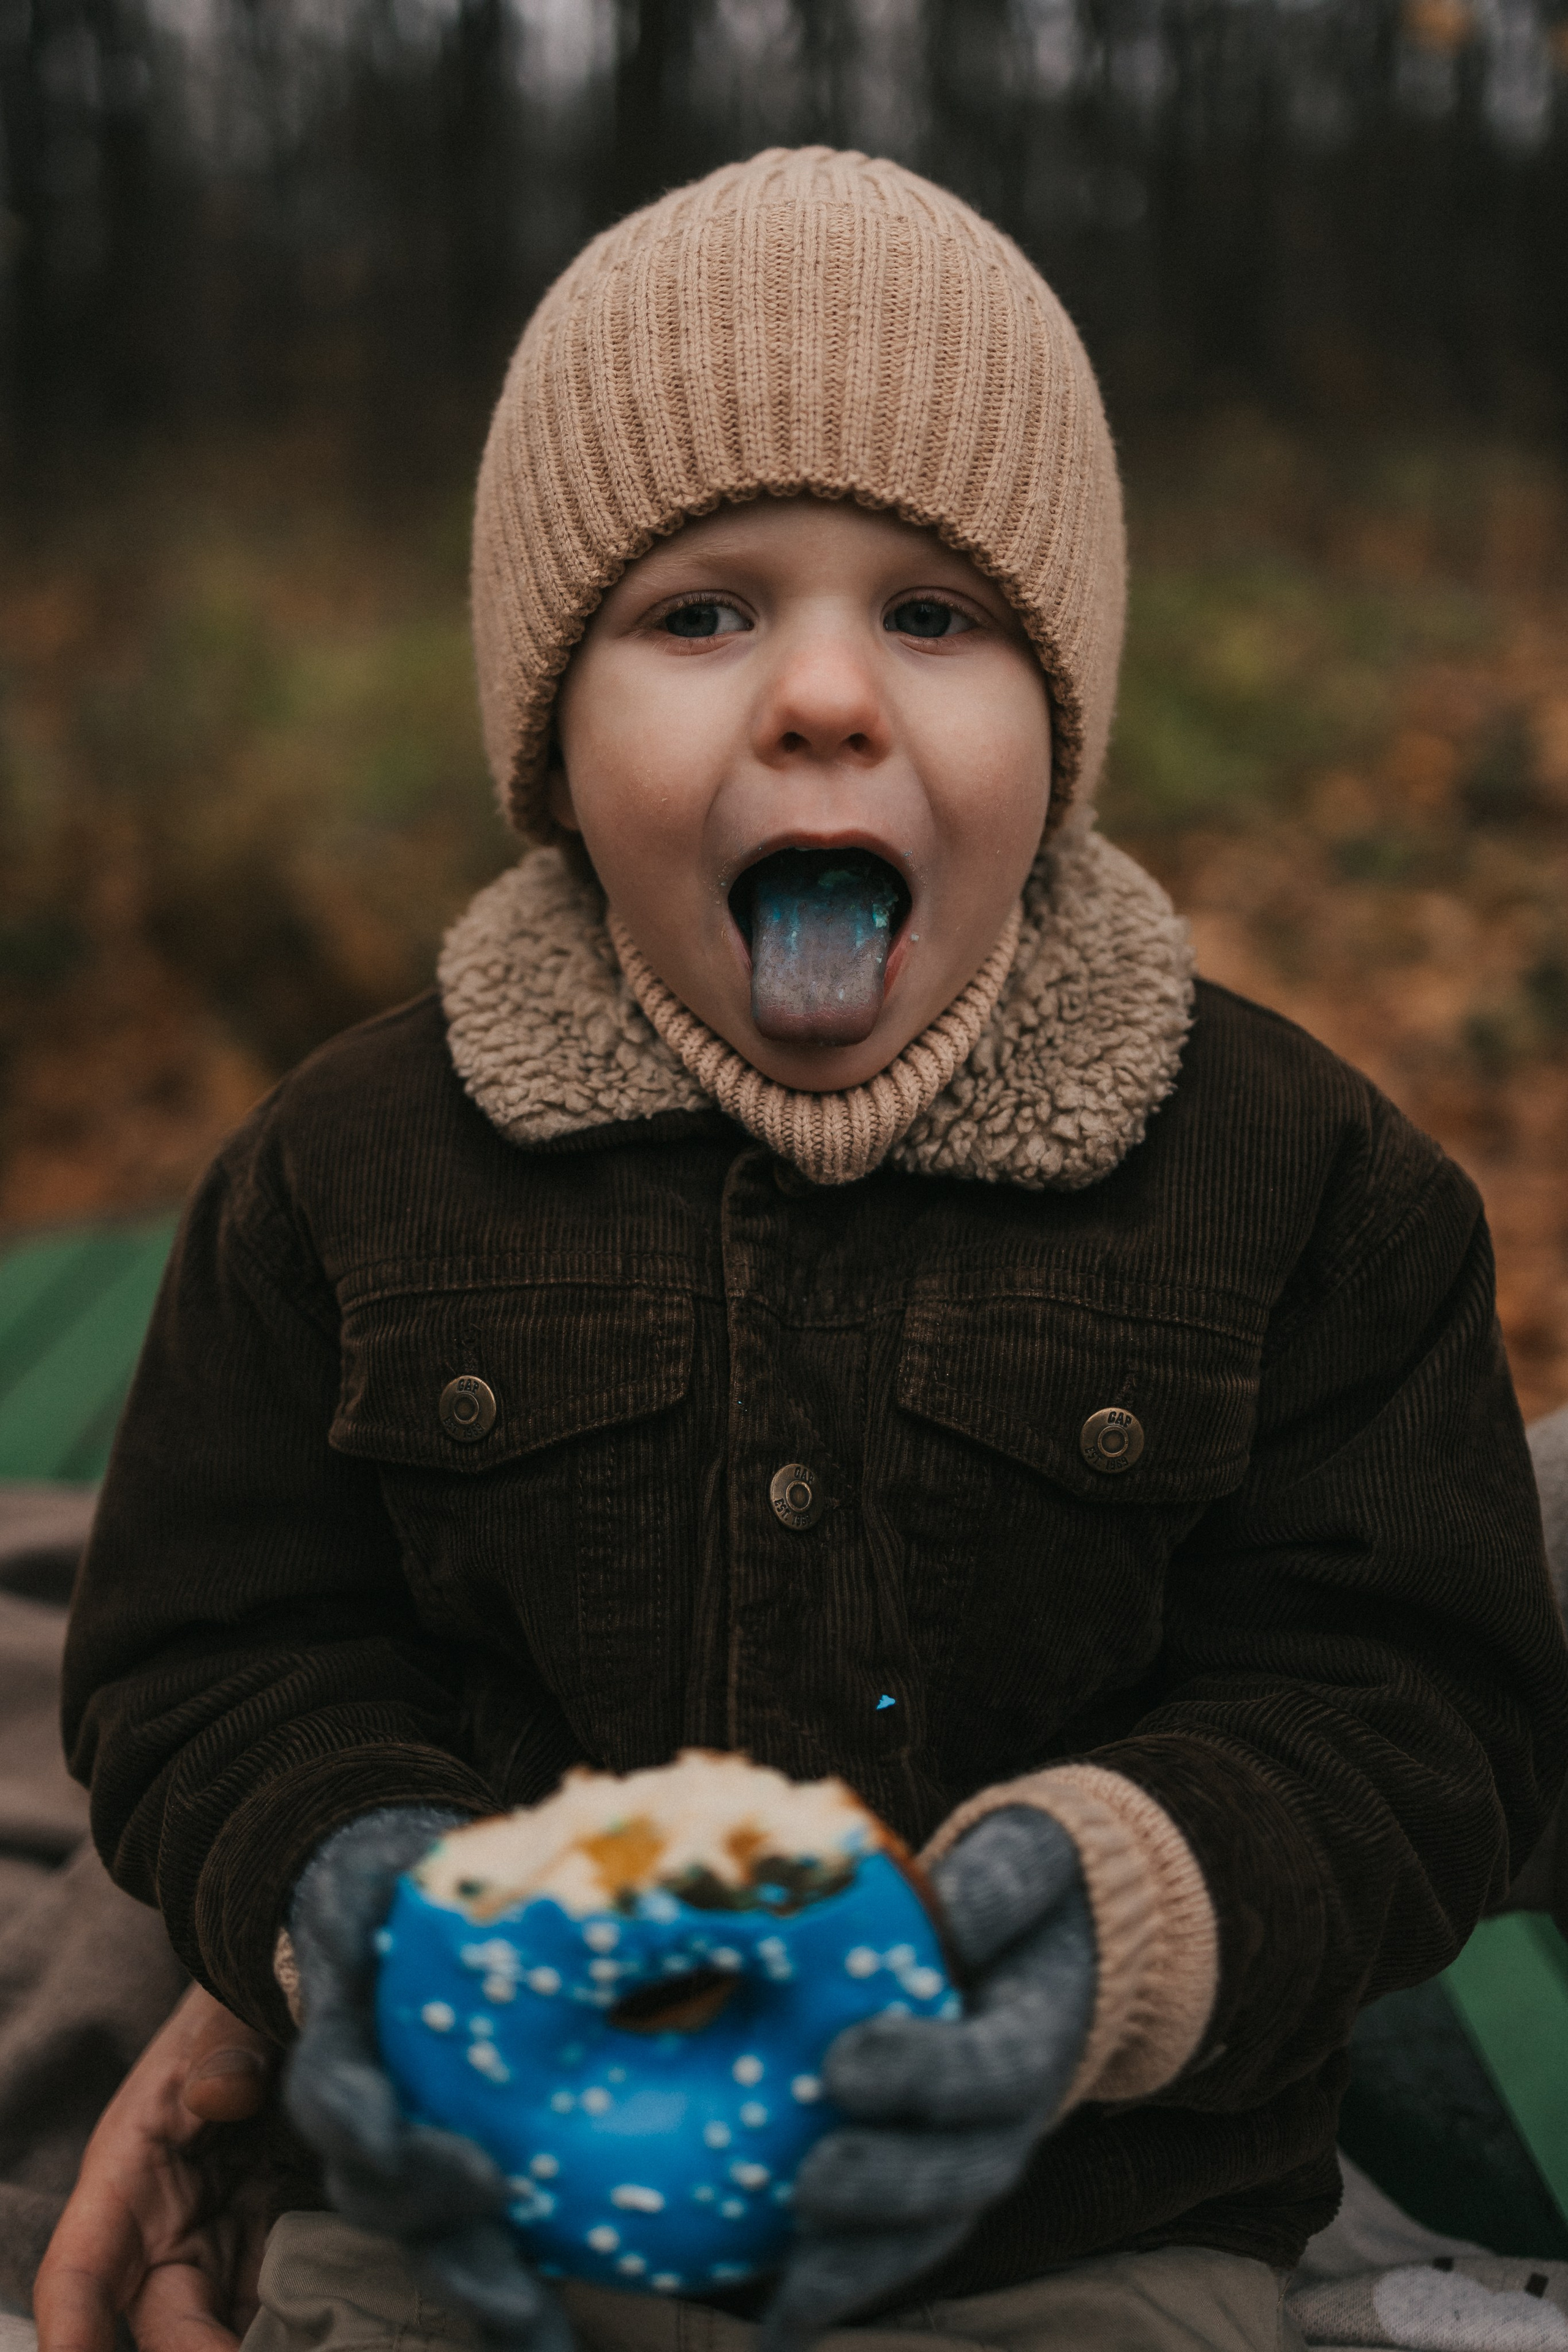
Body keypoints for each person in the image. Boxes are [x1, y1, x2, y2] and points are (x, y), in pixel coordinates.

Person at [47, 146, 1568, 2352]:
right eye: (702, 612)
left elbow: (1414, 1703)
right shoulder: (349, 1174)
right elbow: (213, 1655)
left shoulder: (1305, 1187)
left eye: (937, 617)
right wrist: (338, 1889)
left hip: (1076, 2236)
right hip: (487, 2220)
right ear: (552, 735)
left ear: (1068, 717)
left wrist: (1122, 1914)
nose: (828, 699)